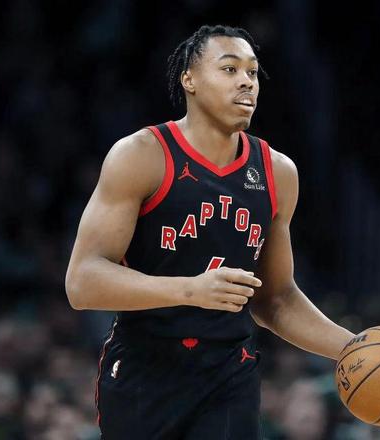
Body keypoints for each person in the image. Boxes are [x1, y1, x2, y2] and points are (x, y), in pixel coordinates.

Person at [65, 24, 355, 439]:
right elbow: (82, 281)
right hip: (145, 371)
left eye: (253, 72)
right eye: (230, 69)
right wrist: (190, 289)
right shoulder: (142, 155)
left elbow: (275, 298)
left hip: (228, 375)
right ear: (190, 80)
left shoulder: (277, 172)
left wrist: (351, 348)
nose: (246, 82)